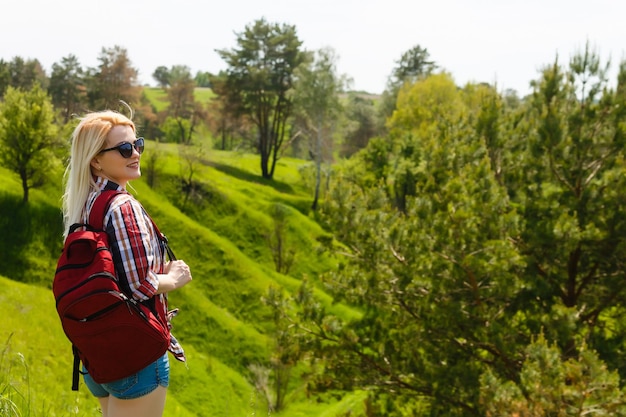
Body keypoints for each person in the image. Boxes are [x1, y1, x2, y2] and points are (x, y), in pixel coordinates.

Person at [61, 106, 192, 417]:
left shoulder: (83, 204)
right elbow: (139, 283)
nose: (135, 153)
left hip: (96, 354)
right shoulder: (122, 206)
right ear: (96, 159)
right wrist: (175, 277)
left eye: (138, 144)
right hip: (134, 356)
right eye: (123, 148)